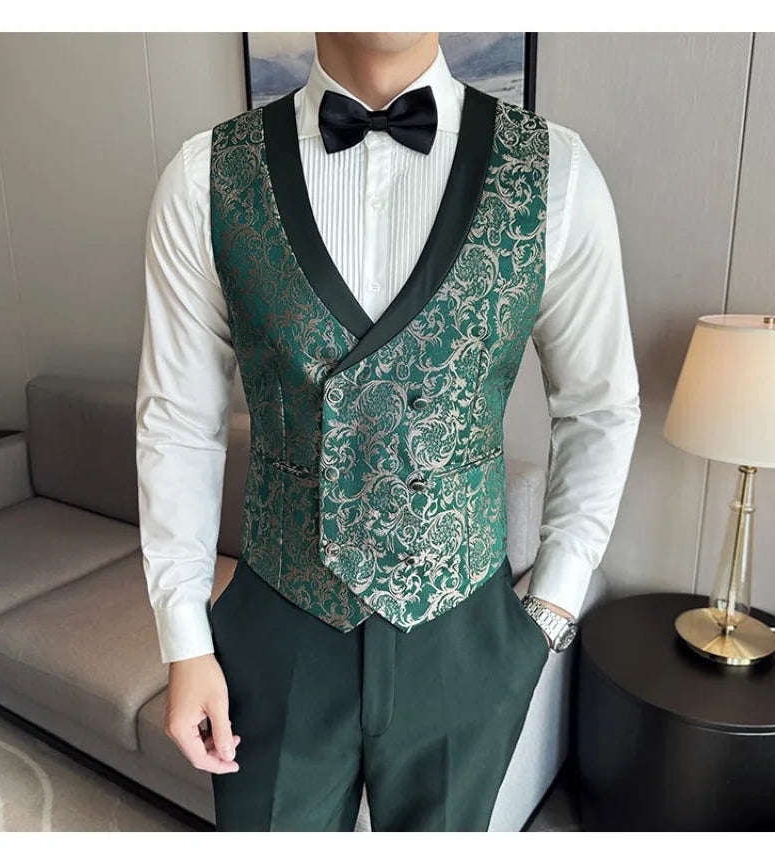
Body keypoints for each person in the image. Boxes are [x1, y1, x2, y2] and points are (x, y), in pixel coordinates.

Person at [135, 31, 641, 831]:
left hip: (463, 634)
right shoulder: (204, 177)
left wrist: (548, 613)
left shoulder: (557, 174)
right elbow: (178, 422)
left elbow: (599, 406)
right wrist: (184, 637)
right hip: (279, 627)